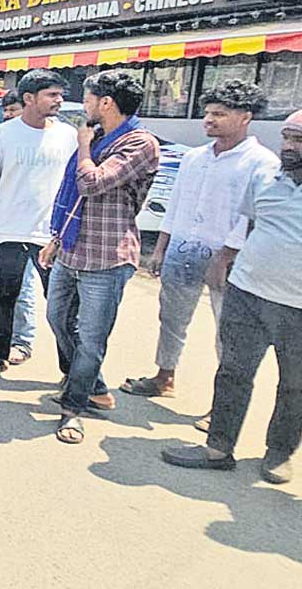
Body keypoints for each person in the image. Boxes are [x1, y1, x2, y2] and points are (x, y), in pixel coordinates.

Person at [121, 81, 279, 428]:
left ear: (245, 118)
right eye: (207, 113)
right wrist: (160, 249)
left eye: (219, 114)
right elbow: (176, 205)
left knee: (229, 333)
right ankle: (164, 377)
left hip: (231, 259)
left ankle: (220, 406)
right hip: (182, 247)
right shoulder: (195, 157)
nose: (209, 120)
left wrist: (225, 255)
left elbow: (251, 216)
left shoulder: (262, 163)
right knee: (172, 318)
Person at [161, 111, 302, 484]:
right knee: (234, 372)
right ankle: (218, 448)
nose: (288, 147)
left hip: (298, 308)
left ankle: (279, 454)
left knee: (295, 385)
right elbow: (251, 224)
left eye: (297, 141)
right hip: (247, 293)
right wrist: (223, 259)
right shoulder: (266, 178)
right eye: (287, 138)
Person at [40, 70, 159, 445]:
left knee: (91, 339)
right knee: (57, 318)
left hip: (107, 257)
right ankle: (94, 384)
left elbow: (91, 183)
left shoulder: (139, 143)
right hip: (73, 248)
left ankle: (74, 409)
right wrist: (56, 239)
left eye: (88, 99)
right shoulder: (100, 136)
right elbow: (74, 199)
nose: (84, 106)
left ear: (106, 103)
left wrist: (84, 145)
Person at [0, 69, 78, 379]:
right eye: (51, 95)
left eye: (59, 94)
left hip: (52, 237)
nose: (59, 100)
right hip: (6, 233)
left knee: (62, 308)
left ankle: (71, 371)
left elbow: (73, 188)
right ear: (29, 98)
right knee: (3, 299)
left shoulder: (68, 136)